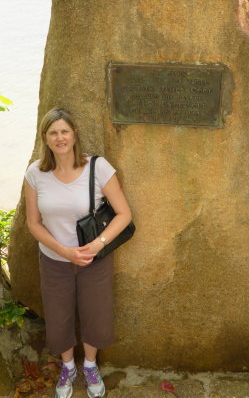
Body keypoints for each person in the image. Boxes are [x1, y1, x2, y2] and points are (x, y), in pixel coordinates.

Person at [24, 107, 132, 398]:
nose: (59, 138)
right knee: (58, 318)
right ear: (45, 138)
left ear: (74, 135)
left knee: (95, 314)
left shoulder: (98, 168)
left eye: (64, 131)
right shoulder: (36, 173)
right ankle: (68, 366)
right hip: (54, 261)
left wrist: (97, 245)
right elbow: (33, 223)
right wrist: (62, 250)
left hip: (94, 260)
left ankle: (90, 365)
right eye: (53, 133)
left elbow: (124, 214)